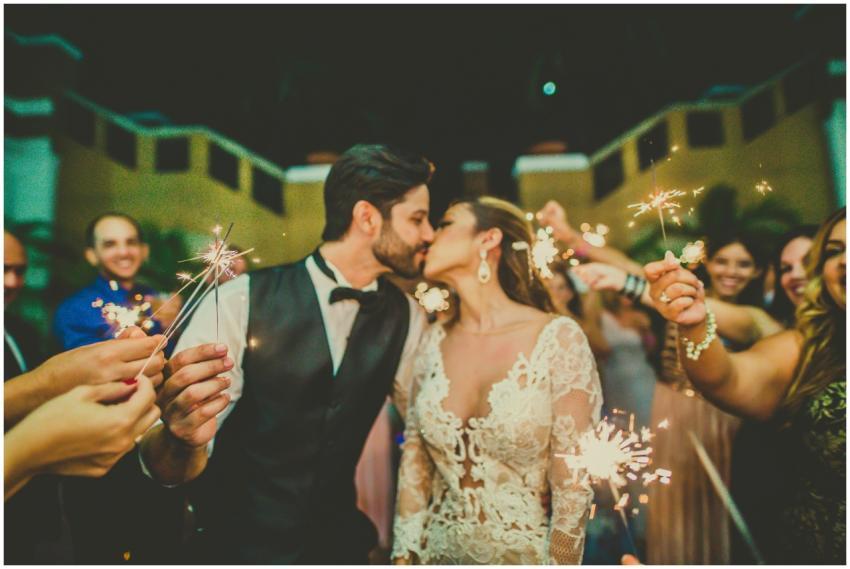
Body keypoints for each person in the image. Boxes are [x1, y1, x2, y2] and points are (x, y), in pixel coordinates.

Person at [140, 144, 434, 564]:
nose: (429, 234)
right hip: (236, 550)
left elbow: (430, 425)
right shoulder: (240, 300)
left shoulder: (407, 316)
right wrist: (178, 437)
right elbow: (167, 459)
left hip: (340, 549)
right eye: (418, 219)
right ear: (367, 217)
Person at [392, 197, 602, 564]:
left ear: (488, 239)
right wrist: (403, 557)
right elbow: (415, 464)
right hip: (437, 556)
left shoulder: (557, 338)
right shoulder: (432, 342)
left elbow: (573, 482)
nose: (429, 236)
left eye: (444, 224)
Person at [644, 207, 845, 564]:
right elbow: (727, 378)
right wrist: (694, 323)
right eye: (834, 252)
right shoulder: (809, 347)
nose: (844, 261)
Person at [53, 212, 177, 351]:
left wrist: (172, 324)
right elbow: (87, 365)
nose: (124, 252)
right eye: (110, 244)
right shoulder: (75, 310)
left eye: (131, 242)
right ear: (92, 255)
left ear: (144, 251)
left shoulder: (156, 299)